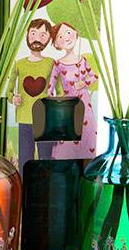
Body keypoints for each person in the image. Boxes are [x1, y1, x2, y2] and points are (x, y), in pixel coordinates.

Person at [6, 18, 56, 173]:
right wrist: (13, 98)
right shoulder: (19, 63)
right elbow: (9, 91)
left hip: (46, 118)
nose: (37, 38)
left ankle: (45, 184)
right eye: (33, 33)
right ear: (27, 35)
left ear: (49, 39)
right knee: (25, 158)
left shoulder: (51, 63)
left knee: (46, 158)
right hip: (24, 118)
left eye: (43, 35)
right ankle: (24, 184)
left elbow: (59, 90)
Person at [46, 21, 98, 159]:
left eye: (68, 32)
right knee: (67, 140)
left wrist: (84, 83)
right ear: (56, 44)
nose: (66, 38)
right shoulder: (58, 64)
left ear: (75, 33)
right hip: (68, 105)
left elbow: (94, 76)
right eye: (60, 36)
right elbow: (50, 87)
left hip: (85, 105)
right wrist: (54, 103)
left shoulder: (83, 60)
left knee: (88, 134)